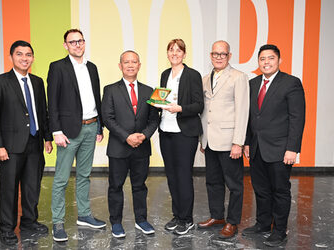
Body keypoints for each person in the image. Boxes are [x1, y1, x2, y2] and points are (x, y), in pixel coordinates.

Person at [0, 40, 53, 246]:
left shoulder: (38, 81)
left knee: (32, 186)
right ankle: (6, 228)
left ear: (33, 58)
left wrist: (47, 137)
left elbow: (43, 112)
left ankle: (29, 222)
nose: (24, 58)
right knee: (9, 189)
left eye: (28, 55)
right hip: (10, 147)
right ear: (11, 57)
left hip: (34, 143)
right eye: (20, 54)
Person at [243, 44, 305, 247]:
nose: (266, 62)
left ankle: (279, 231)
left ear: (279, 60)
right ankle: (263, 224)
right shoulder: (252, 84)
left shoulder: (291, 83)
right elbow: (250, 117)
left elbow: (297, 118)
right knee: (261, 189)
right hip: (257, 147)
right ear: (258, 62)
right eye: (262, 59)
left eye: (270, 58)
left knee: (280, 190)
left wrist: (293, 149)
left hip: (280, 149)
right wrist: (246, 143)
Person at [47, 29, 105, 242]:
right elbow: (51, 102)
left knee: (84, 175)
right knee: (61, 179)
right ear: (65, 45)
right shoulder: (57, 67)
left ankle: (84, 215)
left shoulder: (92, 67)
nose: (77, 45)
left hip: (91, 127)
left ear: (84, 42)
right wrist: (56, 131)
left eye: (80, 41)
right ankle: (58, 222)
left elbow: (96, 98)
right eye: (72, 42)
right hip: (68, 132)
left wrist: (100, 126)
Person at [101, 50, 159, 238]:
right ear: (120, 66)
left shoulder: (149, 91)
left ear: (139, 65)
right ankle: (116, 222)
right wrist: (127, 137)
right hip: (119, 147)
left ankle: (141, 220)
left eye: (134, 62)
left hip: (141, 147)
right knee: (115, 186)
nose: (131, 65)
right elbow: (108, 118)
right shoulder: (110, 90)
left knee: (140, 186)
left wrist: (143, 136)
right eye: (127, 62)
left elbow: (154, 120)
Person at [197, 40, 249, 239]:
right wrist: (203, 139)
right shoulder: (204, 79)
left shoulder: (238, 77)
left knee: (234, 185)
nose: (219, 57)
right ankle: (217, 216)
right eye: (215, 54)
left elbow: (243, 111)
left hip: (229, 142)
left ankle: (232, 222)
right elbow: (204, 112)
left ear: (229, 56)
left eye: (223, 54)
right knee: (213, 182)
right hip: (210, 141)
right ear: (211, 56)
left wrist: (238, 142)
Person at [159, 39, 204, 235]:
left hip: (185, 132)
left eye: (178, 50)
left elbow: (198, 105)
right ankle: (177, 215)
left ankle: (187, 219)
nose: (174, 53)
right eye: (171, 50)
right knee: (171, 176)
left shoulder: (193, 75)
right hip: (165, 131)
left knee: (184, 176)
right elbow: (162, 98)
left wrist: (180, 109)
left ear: (185, 54)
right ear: (167, 53)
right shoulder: (164, 74)